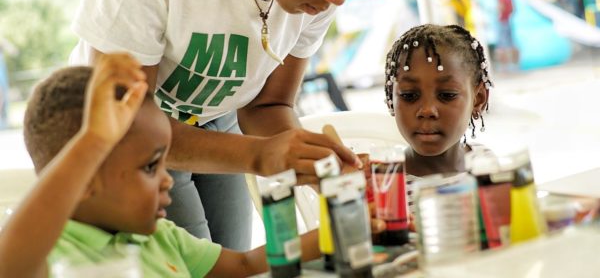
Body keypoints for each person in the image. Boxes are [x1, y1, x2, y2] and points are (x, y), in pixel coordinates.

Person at [68, 0, 406, 249]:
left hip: (216, 119)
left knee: (234, 257)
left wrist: (313, 161)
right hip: (123, 140)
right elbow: (128, 124)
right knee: (197, 267)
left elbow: (268, 105)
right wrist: (261, 155)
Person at [0, 53, 384, 277]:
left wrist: (342, 224)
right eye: (150, 167)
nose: (168, 180)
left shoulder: (159, 236)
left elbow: (246, 262)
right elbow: (11, 262)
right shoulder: (53, 255)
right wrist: (94, 140)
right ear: (84, 177)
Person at [383, 24, 493, 205]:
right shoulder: (385, 187)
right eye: (409, 95)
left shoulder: (484, 162)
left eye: (447, 95)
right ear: (391, 100)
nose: (427, 110)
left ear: (478, 99)